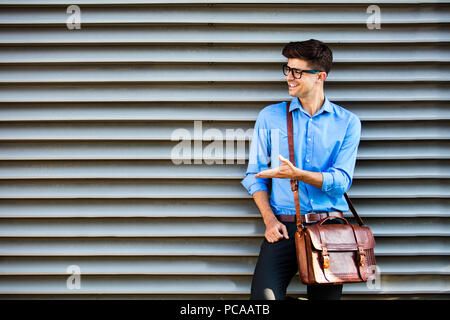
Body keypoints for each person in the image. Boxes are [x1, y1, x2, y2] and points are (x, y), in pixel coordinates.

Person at [241, 39, 362, 300]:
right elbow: (254, 176)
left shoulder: (348, 122)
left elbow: (342, 182)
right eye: (288, 69)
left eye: (297, 72)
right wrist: (269, 220)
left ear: (320, 76)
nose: (290, 78)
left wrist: (299, 175)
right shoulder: (269, 116)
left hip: (329, 231)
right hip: (282, 227)